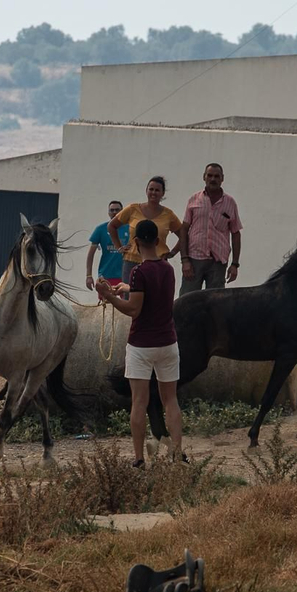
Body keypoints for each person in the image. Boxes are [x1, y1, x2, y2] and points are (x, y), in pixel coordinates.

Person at [95, 220, 184, 467]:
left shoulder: (138, 272)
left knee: (139, 402)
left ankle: (139, 459)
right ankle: (177, 453)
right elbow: (151, 294)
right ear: (157, 241)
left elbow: (134, 309)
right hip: (168, 342)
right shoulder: (167, 269)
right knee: (171, 400)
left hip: (142, 345)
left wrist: (111, 296)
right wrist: (124, 288)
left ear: (135, 242)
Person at [178, 162, 243, 294]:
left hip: (217, 263)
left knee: (216, 303)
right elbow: (184, 229)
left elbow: (236, 233)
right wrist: (184, 260)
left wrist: (235, 264)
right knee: (187, 300)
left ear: (222, 178)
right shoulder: (194, 200)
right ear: (204, 177)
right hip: (194, 260)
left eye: (217, 176)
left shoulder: (230, 203)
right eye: (210, 175)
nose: (213, 179)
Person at [108, 177, 183, 285]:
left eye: (157, 190)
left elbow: (183, 235)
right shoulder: (132, 209)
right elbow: (112, 226)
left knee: (155, 298)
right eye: (151, 189)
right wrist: (119, 247)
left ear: (162, 193)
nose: (153, 192)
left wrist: (173, 252)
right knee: (129, 298)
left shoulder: (168, 215)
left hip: (158, 263)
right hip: (132, 262)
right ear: (146, 190)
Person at [85, 199, 129, 292]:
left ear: (122, 211)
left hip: (125, 275)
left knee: (125, 304)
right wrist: (89, 276)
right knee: (106, 305)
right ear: (108, 212)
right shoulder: (101, 229)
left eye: (117, 210)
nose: (114, 212)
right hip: (106, 276)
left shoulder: (130, 228)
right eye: (111, 210)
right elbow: (91, 254)